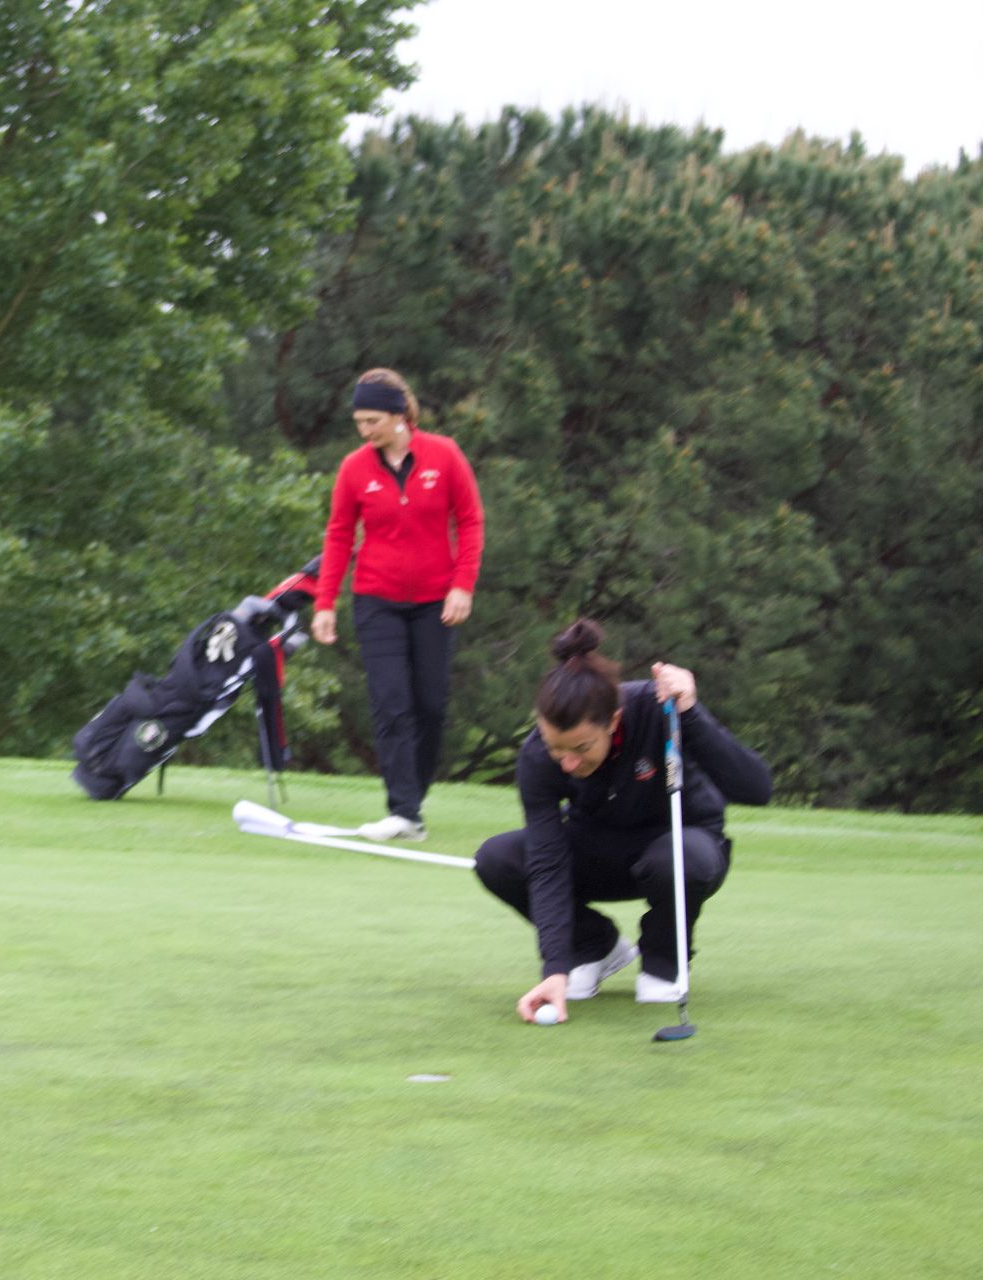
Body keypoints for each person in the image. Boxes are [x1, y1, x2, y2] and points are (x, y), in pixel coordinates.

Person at [474, 620, 773, 1024]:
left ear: (613, 721)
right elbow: (547, 860)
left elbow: (756, 788)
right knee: (497, 858)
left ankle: (665, 959)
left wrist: (690, 714)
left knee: (679, 857)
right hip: (597, 851)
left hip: (683, 849)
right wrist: (555, 969)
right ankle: (594, 947)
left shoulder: (659, 710)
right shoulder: (537, 756)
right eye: (555, 748)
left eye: (581, 748)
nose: (568, 763)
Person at [310, 368, 484, 841]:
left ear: (399, 415)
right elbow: (339, 535)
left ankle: (412, 801)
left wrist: (462, 585)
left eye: (372, 421)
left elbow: (470, 521)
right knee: (390, 704)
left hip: (436, 602)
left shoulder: (444, 455)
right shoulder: (354, 469)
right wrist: (325, 601)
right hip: (376, 600)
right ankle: (403, 811)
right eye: (359, 423)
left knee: (430, 706)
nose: (365, 431)